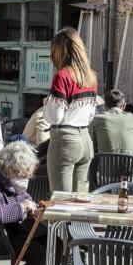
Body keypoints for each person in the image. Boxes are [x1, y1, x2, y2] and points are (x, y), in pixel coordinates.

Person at [43, 28, 99, 192]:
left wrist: (47, 105)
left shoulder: (62, 76)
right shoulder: (91, 77)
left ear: (59, 51)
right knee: (79, 199)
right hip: (85, 138)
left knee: (61, 199)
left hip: (65, 140)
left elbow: (55, 117)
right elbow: (91, 114)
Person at [89, 89, 133, 156]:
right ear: (124, 105)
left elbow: (92, 145)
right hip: (131, 162)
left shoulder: (97, 119)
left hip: (106, 162)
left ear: (105, 106)